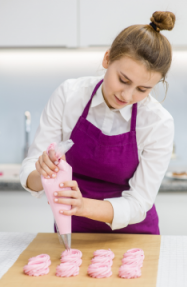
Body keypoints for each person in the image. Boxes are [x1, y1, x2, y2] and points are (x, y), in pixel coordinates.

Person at [20, 11, 175, 234]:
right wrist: (42, 174)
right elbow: (30, 170)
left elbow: (140, 202)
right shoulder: (69, 96)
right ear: (107, 59)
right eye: (123, 80)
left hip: (135, 238)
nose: (128, 96)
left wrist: (83, 206)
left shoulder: (158, 123)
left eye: (143, 89)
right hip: (72, 232)